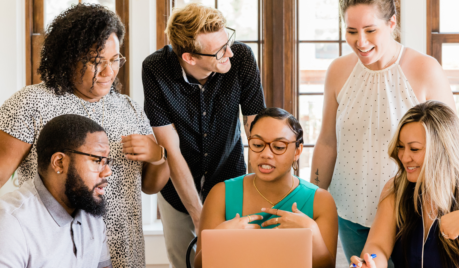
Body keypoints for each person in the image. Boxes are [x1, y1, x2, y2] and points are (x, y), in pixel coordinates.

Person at [0, 4, 169, 267]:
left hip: (125, 248)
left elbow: (150, 186)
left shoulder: (129, 109)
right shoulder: (30, 103)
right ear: (69, 57)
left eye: (115, 60)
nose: (108, 72)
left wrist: (158, 156)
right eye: (96, 61)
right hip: (58, 250)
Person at [309, 0, 456, 263]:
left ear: (391, 23)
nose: (360, 42)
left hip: (411, 212)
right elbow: (328, 143)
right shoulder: (338, 71)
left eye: (370, 30)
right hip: (350, 212)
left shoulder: (425, 69)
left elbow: (450, 145)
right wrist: (313, 200)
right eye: (351, 31)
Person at [142, 3, 265, 266]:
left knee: (234, 260)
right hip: (176, 188)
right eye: (219, 51)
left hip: (229, 176)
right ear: (189, 57)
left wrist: (260, 192)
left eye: (227, 42)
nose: (229, 53)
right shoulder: (155, 69)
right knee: (184, 260)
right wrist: (200, 219)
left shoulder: (241, 57)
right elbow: (169, 149)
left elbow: (256, 132)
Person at [194, 108, 338, 268]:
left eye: (278, 147)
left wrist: (312, 233)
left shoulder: (321, 201)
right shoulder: (220, 194)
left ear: (298, 151)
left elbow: (326, 266)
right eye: (257, 144)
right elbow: (199, 265)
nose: (266, 154)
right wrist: (220, 239)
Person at [350, 101, 459, 268]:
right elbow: (378, 246)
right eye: (401, 147)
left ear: (444, 149)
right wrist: (372, 263)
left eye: (414, 149)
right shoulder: (395, 189)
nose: (404, 157)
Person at [0, 114, 113, 267]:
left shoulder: (92, 216)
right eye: (97, 160)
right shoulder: (10, 222)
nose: (107, 172)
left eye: (107, 161)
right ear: (59, 163)